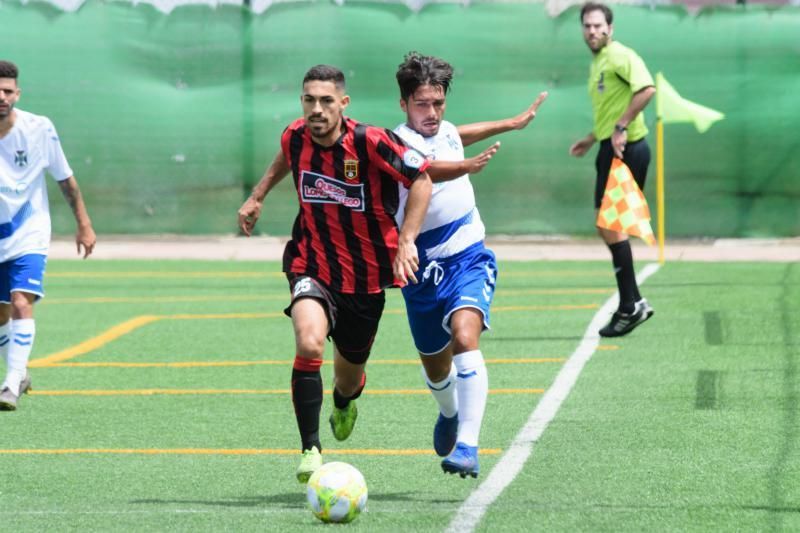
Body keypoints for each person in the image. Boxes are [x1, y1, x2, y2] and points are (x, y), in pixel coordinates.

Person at [237, 65, 433, 483]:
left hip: (365, 280)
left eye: (326, 101)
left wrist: (407, 240)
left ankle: (345, 400)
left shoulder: (370, 141)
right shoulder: (294, 136)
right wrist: (257, 197)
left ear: (343, 104)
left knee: (346, 379)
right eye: (309, 100)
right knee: (309, 343)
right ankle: (310, 450)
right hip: (312, 263)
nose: (316, 109)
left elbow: (422, 179)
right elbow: (284, 160)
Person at [392, 52, 547, 478]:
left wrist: (510, 124)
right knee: (436, 366)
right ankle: (449, 412)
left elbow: (460, 135)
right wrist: (466, 167)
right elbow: (427, 168)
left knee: (465, 336)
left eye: (438, 103)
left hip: (468, 253)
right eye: (422, 104)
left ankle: (468, 445)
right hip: (419, 270)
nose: (432, 113)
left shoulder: (446, 131)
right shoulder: (394, 144)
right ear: (404, 103)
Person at [0, 60, 96, 411]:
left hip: (29, 231)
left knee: (22, 301)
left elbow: (65, 179)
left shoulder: (39, 129)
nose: (1, 96)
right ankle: (19, 375)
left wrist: (83, 223)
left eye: (7, 90)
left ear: (17, 94)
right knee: (1, 314)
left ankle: (10, 383)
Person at [569, 2, 656, 337]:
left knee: (611, 224)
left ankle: (630, 304)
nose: (593, 31)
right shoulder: (599, 63)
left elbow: (646, 89)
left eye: (598, 26)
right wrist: (593, 138)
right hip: (610, 146)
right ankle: (632, 302)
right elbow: (612, 108)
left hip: (628, 147)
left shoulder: (619, 55)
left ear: (610, 28)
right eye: (587, 26)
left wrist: (620, 127)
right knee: (608, 224)